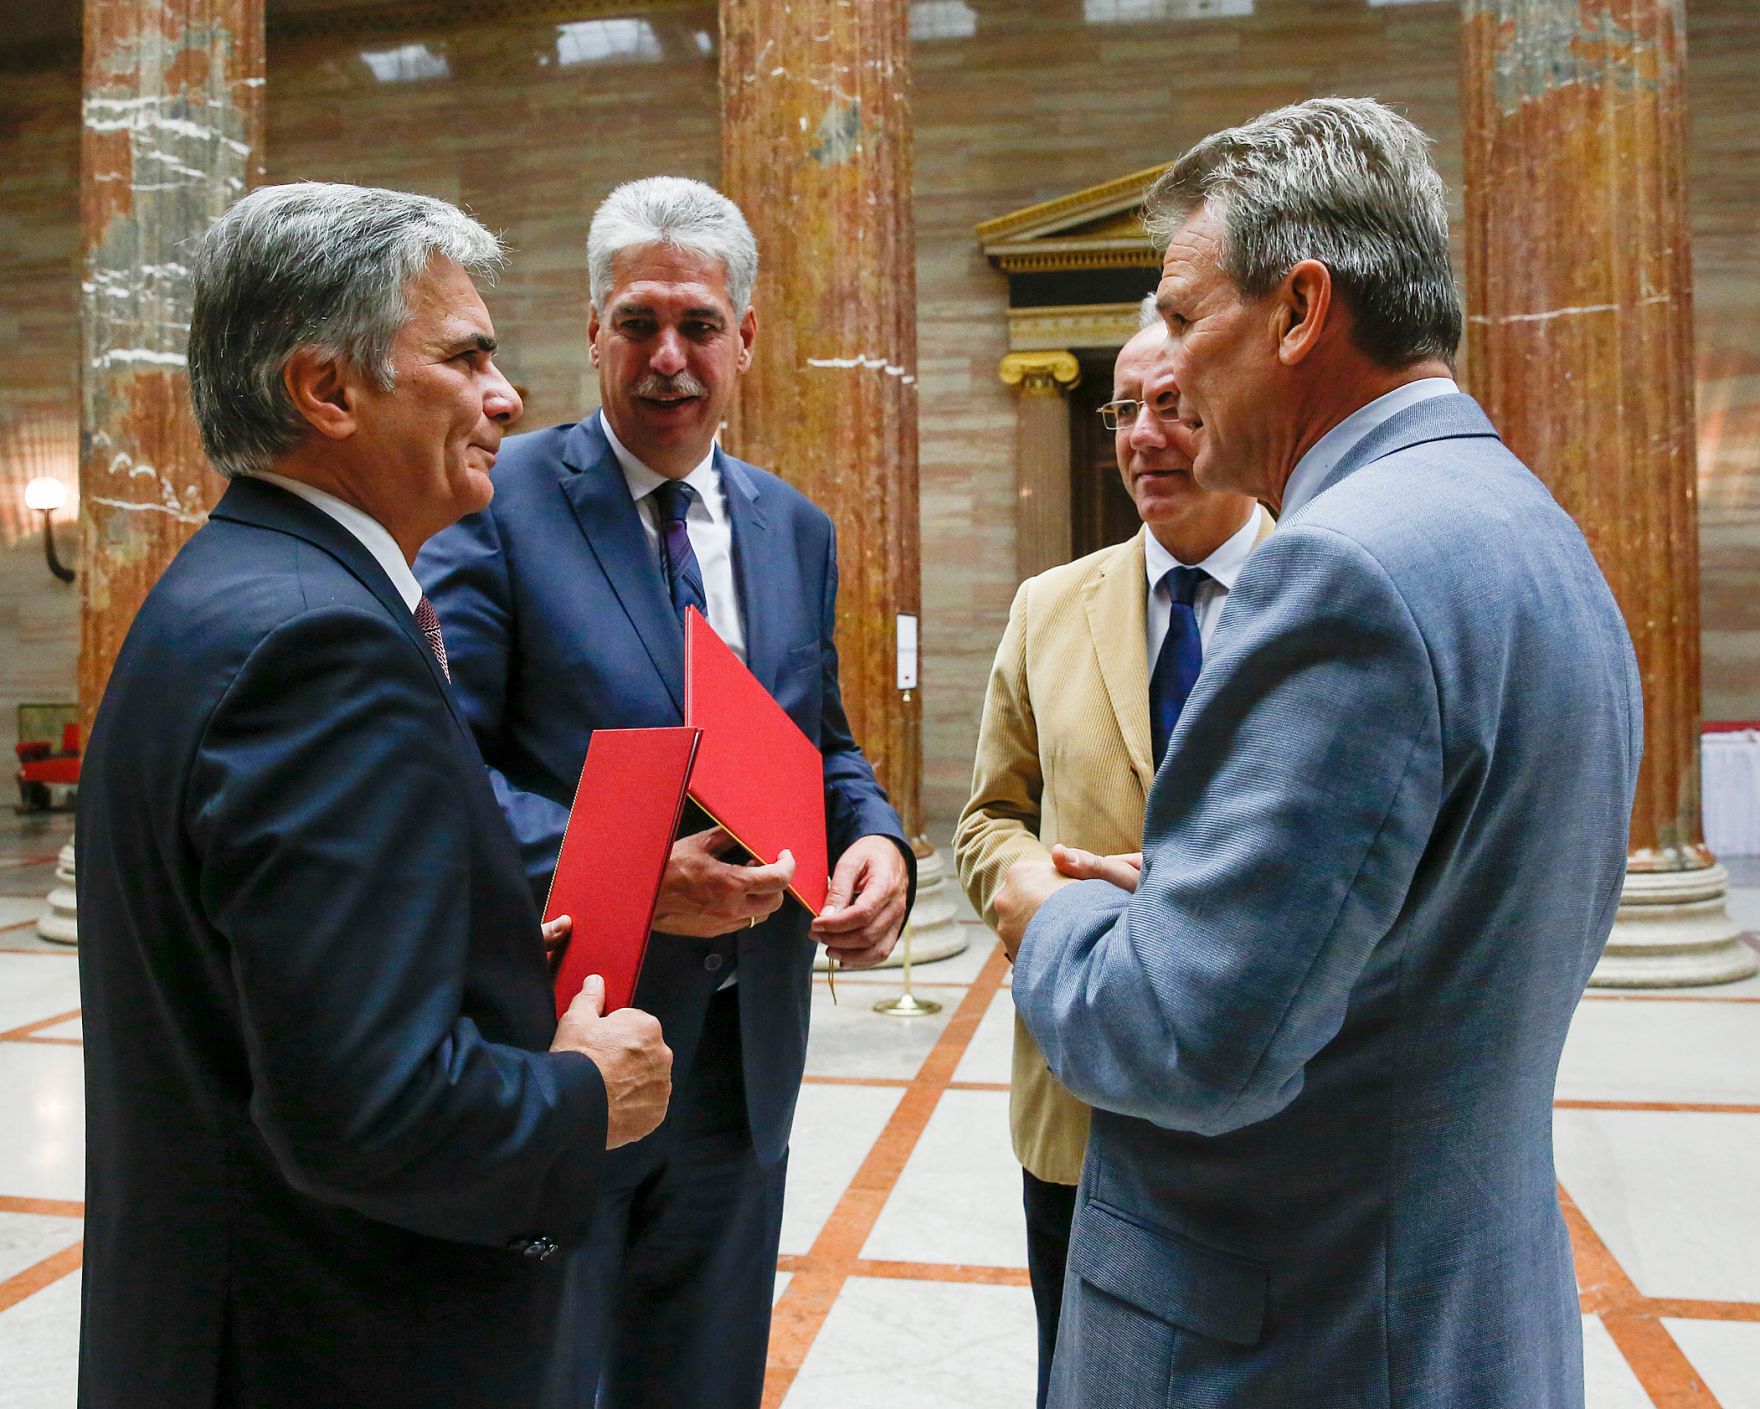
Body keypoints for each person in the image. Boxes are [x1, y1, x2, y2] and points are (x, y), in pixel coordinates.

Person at [994, 98, 1642, 1408]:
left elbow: (1189, 1045)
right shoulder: (1532, 526)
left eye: (1184, 317)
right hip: (1451, 1305)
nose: (1166, 375)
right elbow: (1419, 932)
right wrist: (1195, 910)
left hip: (1295, 1335)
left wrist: (1045, 912)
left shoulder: (1340, 567)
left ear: (1298, 311)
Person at [75, 182, 675, 1409]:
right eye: (465, 356)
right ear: (326, 390)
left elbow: (270, 978)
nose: (506, 396)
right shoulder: (322, 646)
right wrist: (581, 1094)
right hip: (336, 1340)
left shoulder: (234, 586)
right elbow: (366, 1110)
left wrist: (481, 950)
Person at [416, 174, 914, 1409]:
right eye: (638, 322)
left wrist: (876, 840)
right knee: (543, 1371)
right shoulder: (497, 503)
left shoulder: (794, 527)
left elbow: (822, 740)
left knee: (703, 1375)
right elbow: (440, 766)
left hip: (745, 1057)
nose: (668, 356)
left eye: (698, 324)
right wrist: (632, 876)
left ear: (746, 337)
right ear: (593, 331)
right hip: (567, 1038)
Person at [954, 301, 1268, 1409]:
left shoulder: (1323, 588)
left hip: (1264, 1105)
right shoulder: (1047, 606)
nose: (1141, 435)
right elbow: (989, 815)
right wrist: (1039, 897)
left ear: (1235, 405)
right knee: (1078, 1376)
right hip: (1077, 1099)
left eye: (1172, 405)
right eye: (1124, 409)